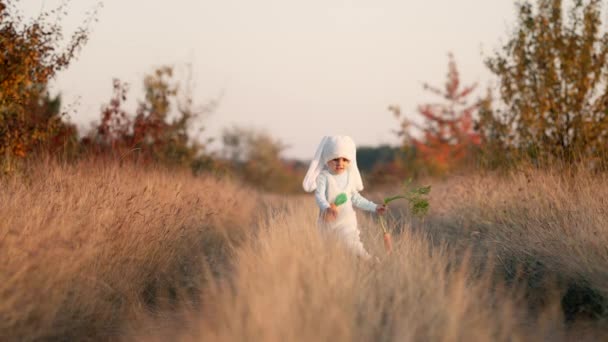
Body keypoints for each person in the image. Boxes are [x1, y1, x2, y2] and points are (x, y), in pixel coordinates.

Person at [303, 135, 387, 260]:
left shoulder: (350, 177)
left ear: (349, 161)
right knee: (331, 254)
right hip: (327, 223)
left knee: (353, 246)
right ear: (327, 160)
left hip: (347, 222)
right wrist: (327, 207)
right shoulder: (324, 177)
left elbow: (357, 199)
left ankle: (370, 262)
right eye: (335, 159)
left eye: (344, 160)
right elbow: (319, 196)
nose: (340, 163)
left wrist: (375, 207)